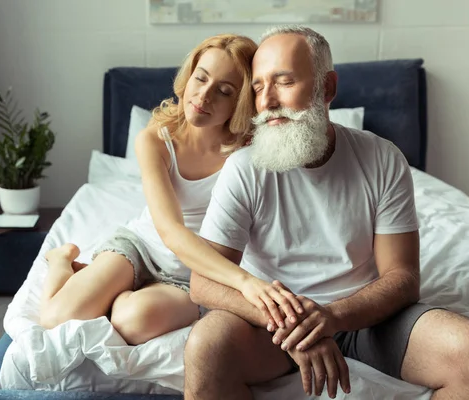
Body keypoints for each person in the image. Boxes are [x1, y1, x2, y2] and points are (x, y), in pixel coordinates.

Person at [184, 25, 469, 400]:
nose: (268, 101)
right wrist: (298, 326)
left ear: (327, 88)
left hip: (365, 319)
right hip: (271, 328)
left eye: (284, 82)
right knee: (206, 344)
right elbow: (203, 283)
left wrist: (333, 317)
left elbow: (402, 277)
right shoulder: (243, 169)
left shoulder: (382, 158)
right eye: (258, 87)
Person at [38, 33, 303, 346]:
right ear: (188, 76)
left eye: (224, 91)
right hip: (141, 247)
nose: (203, 96)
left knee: (132, 322)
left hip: (196, 275)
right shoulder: (155, 140)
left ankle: (110, 292)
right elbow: (169, 231)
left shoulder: (253, 151)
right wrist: (245, 282)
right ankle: (61, 259)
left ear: (241, 101)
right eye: (200, 78)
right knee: (55, 320)